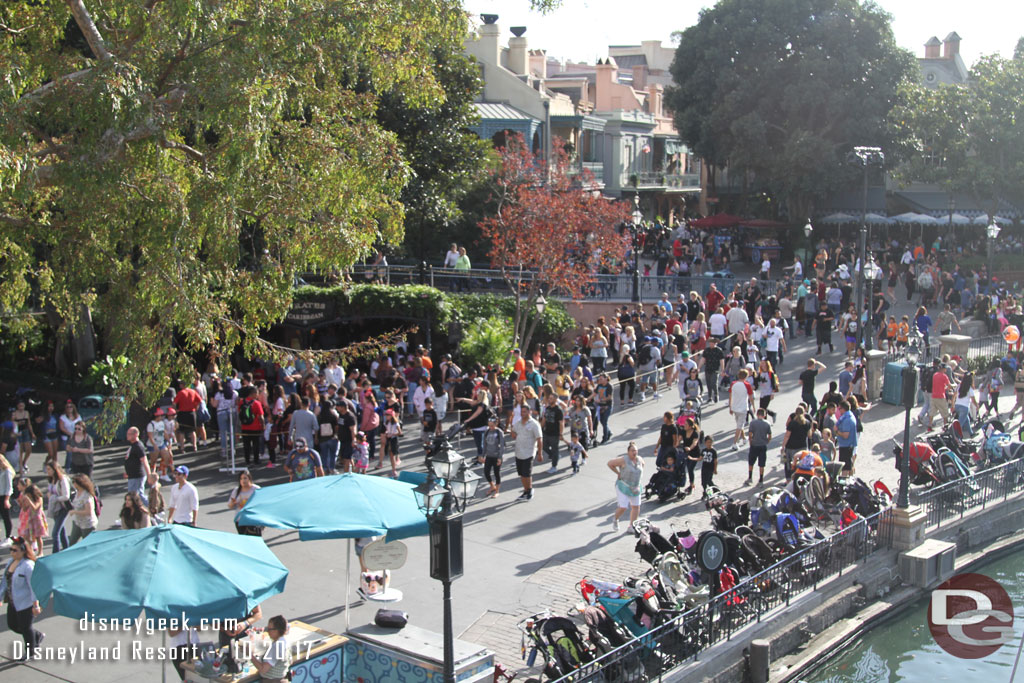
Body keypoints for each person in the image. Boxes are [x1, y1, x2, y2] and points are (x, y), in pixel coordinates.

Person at [0, 536, 43, 658]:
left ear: (23, 551)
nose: (12, 552)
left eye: (15, 550)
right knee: (13, 625)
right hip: (13, 601)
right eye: (11, 550)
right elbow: (4, 581)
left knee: (25, 628)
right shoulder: (10, 563)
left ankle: (30, 652)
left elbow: (33, 587)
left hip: (26, 603)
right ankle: (36, 636)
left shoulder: (28, 566)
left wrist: (36, 605)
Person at [607, 442, 644, 532]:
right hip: (623, 486)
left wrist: (638, 478)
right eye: (632, 451)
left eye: (635, 451)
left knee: (636, 506)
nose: (634, 452)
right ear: (628, 452)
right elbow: (610, 463)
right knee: (623, 506)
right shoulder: (623, 460)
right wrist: (618, 473)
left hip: (635, 487)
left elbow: (643, 465)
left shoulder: (639, 459)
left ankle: (631, 526)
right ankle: (615, 519)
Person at [510, 407, 542, 501]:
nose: (522, 413)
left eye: (524, 412)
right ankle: (525, 490)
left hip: (528, 452)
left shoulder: (534, 424)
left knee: (527, 474)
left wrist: (540, 453)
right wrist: (513, 433)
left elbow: (539, 439)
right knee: (521, 474)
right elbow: (513, 430)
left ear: (529, 412)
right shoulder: (519, 423)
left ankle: (529, 491)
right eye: (521, 412)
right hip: (518, 452)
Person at [250, 614, 291, 682]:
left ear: (277, 630)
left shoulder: (276, 646)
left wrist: (250, 656)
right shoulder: (285, 641)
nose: (268, 631)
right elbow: (290, 661)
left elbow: (263, 670)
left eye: (269, 629)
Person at [122, 427, 151, 517]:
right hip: (132, 475)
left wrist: (149, 475)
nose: (127, 436)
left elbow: (145, 461)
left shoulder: (138, 446)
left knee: (137, 495)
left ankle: (152, 509)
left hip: (137, 476)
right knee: (133, 496)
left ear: (135, 434)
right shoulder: (133, 446)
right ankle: (133, 514)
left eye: (129, 434)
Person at [44, 462, 71, 552]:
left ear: (55, 470)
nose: (47, 471)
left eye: (49, 469)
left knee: (55, 533)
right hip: (55, 508)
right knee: (61, 531)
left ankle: (55, 553)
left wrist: (54, 498)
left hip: (63, 508)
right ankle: (67, 550)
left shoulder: (62, 479)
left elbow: (66, 496)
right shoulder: (51, 479)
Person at [15, 478, 46, 557]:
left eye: (28, 495)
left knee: (38, 536)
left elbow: (35, 508)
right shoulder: (29, 498)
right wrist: (21, 503)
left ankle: (40, 552)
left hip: (37, 519)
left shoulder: (39, 498)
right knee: (26, 536)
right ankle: (31, 550)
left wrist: (29, 501)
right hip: (29, 519)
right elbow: (25, 509)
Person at [228, 470, 263, 536]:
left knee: (255, 540)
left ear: (249, 479)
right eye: (241, 479)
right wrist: (233, 503)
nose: (243, 480)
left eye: (245, 478)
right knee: (244, 541)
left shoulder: (256, 489)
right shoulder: (236, 490)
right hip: (240, 520)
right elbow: (230, 506)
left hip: (253, 519)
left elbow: (262, 503)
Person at [238, 386, 266, 467]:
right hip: (255, 427)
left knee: (246, 444)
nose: (257, 395)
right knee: (256, 444)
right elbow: (261, 416)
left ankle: (247, 460)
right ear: (253, 393)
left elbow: (239, 413)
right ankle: (256, 460)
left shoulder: (241, 402)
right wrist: (263, 425)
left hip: (245, 427)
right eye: (257, 393)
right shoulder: (257, 403)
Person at [68, 474, 98, 545]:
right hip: (77, 522)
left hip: (87, 524)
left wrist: (75, 511)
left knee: (87, 544)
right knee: (72, 542)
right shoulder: (77, 492)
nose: (73, 484)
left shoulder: (87, 495)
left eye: (74, 482)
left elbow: (88, 512)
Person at [540, 392, 566, 474]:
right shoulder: (547, 408)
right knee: (543, 446)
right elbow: (544, 419)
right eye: (549, 398)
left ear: (555, 399)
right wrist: (540, 428)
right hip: (546, 432)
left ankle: (554, 466)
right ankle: (555, 456)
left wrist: (561, 434)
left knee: (555, 449)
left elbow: (561, 423)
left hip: (554, 434)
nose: (549, 399)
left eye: (551, 398)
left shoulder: (558, 410)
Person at [746, 408, 772, 486]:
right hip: (763, 445)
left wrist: (751, 441)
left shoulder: (753, 423)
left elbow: (750, 434)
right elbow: (770, 435)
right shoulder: (767, 423)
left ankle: (750, 478)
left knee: (751, 462)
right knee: (762, 464)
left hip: (754, 445)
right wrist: (767, 441)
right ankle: (761, 480)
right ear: (764, 415)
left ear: (757, 414)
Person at [729, 369, 752, 451]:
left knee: (740, 424)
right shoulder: (747, 385)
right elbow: (751, 397)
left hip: (735, 407)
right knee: (739, 426)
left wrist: (730, 407)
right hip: (743, 408)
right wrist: (753, 406)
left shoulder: (733, 384)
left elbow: (730, 396)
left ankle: (744, 438)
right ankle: (735, 443)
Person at [835, 401, 858, 476]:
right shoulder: (849, 415)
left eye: (839, 408)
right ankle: (852, 479)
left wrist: (837, 431)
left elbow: (845, 435)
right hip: (849, 445)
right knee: (849, 465)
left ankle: (844, 482)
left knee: (844, 467)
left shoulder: (847, 420)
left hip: (846, 445)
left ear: (843, 409)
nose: (839, 410)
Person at [953, 372, 980, 437]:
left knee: (966, 419)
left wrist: (952, 405)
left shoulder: (959, 386)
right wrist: (977, 406)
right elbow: (973, 400)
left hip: (957, 406)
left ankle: (971, 433)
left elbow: (954, 396)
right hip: (964, 407)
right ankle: (955, 436)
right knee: (959, 425)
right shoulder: (970, 389)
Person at [12, 401, 34, 474]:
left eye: (23, 406)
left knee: (28, 449)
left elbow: (29, 424)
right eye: (20, 405)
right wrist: (17, 423)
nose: (21, 407)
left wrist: (32, 433)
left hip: (25, 431)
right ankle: (20, 466)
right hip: (18, 432)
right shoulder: (14, 413)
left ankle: (24, 462)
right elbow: (12, 424)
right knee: (20, 450)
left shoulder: (26, 413)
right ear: (17, 406)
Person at [0, 455, 15, 547]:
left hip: (3, 496)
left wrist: (6, 499)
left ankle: (8, 536)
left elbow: (9, 487)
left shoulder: (7, 471)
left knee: (6, 517)